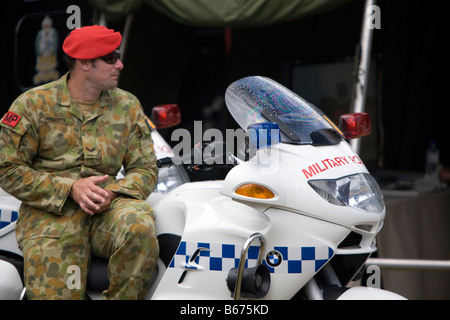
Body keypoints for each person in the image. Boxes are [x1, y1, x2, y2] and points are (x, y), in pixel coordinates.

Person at [0, 25, 159, 300]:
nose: (119, 64)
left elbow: (145, 168)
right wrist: (70, 188)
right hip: (50, 215)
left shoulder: (127, 105)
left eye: (117, 56)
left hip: (106, 208)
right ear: (84, 64)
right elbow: (7, 169)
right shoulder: (33, 105)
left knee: (140, 228)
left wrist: (113, 192)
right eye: (110, 59)